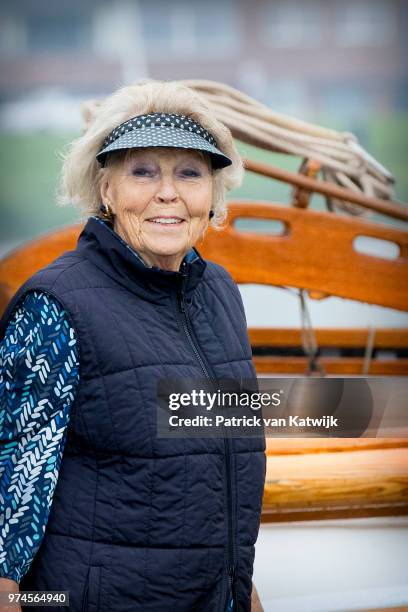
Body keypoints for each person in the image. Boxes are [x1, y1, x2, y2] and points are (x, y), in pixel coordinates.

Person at [0, 80, 266, 611]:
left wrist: (241, 589)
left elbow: (226, 458)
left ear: (212, 193)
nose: (167, 193)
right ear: (106, 190)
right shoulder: (56, 303)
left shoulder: (220, 292)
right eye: (143, 172)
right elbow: (15, 476)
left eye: (189, 173)